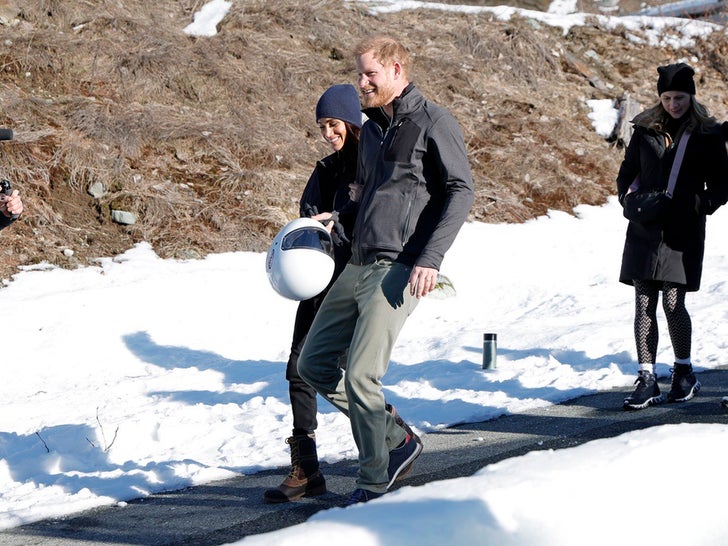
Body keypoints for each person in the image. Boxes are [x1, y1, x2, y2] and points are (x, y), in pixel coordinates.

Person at [297, 35, 474, 504]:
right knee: (312, 364)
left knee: (360, 376)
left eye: (369, 74)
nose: (361, 83)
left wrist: (429, 259)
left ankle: (374, 481)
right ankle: (395, 438)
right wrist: (340, 218)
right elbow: (373, 195)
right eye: (359, 73)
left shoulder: (435, 122)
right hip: (358, 260)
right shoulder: (374, 130)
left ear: (396, 70)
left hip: (400, 264)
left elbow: (461, 192)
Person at [263, 84, 362, 503]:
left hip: (358, 281)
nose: (327, 133)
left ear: (352, 123)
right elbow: (307, 218)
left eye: (333, 124)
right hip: (317, 283)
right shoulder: (325, 169)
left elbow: (379, 216)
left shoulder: (373, 166)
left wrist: (340, 220)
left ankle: (387, 445)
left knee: (354, 374)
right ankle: (307, 468)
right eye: (322, 126)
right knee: (299, 367)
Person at [617, 62, 728, 410]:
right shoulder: (644, 128)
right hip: (645, 226)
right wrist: (628, 200)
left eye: (679, 97)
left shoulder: (707, 134)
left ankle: (683, 372)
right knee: (644, 303)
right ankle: (647, 378)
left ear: (691, 96)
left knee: (672, 302)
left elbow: (723, 184)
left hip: (682, 230)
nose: (673, 104)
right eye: (666, 97)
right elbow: (627, 173)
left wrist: (700, 204)